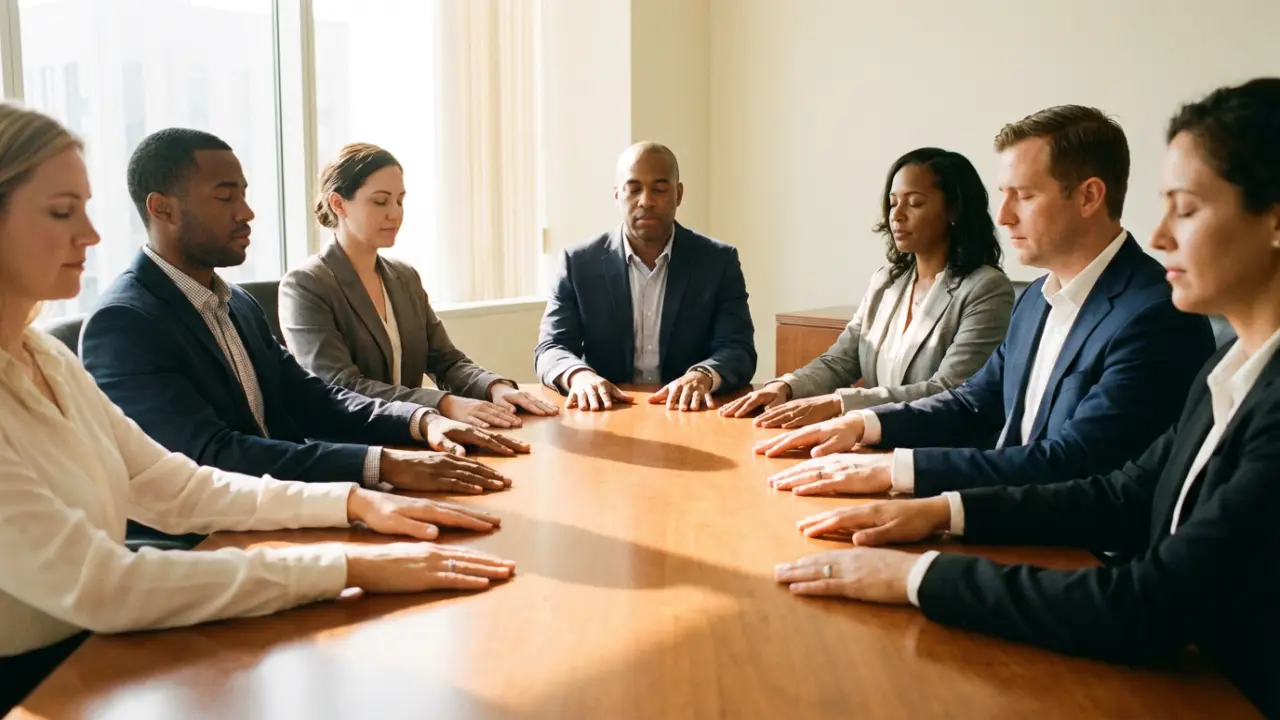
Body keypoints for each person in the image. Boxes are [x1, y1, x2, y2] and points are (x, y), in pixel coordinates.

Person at [772, 78, 1280, 718]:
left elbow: (1136, 573)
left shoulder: (1161, 320)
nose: (1160, 235)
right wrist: (925, 496)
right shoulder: (1222, 362)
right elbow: (1121, 488)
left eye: (1186, 208)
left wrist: (916, 573)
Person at [0, 104, 517, 714]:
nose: (90, 234)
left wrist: (359, 498)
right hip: (42, 684)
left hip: (110, 648)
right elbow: (104, 583)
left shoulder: (48, 360)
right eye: (62, 212)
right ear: (162, 207)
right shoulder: (122, 321)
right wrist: (348, 566)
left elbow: (176, 483)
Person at [80, 129, 529, 546]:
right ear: (162, 208)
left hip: (284, 512)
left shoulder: (237, 303)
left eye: (245, 194)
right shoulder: (125, 323)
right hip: (203, 544)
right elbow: (211, 456)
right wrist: (382, 463)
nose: (247, 212)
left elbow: (313, 397)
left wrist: (420, 422)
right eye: (225, 197)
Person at [756, 105, 1216, 498]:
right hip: (1003, 512)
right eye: (1004, 195)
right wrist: (863, 426)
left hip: (1078, 555)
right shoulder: (1036, 297)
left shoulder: (1156, 315)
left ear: (1089, 196)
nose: (1004, 215)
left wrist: (896, 472)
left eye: (1026, 196)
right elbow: (973, 401)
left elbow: (1073, 462)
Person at [720, 148, 1014, 428]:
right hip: (872, 441)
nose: (897, 215)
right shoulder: (886, 282)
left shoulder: (986, 288)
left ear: (954, 210)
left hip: (938, 452)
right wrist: (786, 386)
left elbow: (949, 390)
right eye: (893, 202)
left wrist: (839, 404)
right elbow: (840, 361)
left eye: (914, 203)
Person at [279, 142, 559, 431]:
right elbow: (342, 387)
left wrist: (494, 388)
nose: (395, 213)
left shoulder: (404, 277)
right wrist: (445, 403)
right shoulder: (306, 285)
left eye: (400, 200)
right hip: (351, 446)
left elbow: (446, 362)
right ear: (338, 204)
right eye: (380, 201)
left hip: (417, 437)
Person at [534, 142, 756, 412]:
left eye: (660, 189)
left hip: (688, 411)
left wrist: (703, 376)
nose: (646, 201)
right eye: (634, 188)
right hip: (607, 411)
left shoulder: (717, 261)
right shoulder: (578, 262)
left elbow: (738, 348)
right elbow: (551, 347)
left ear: (679, 193)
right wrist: (580, 377)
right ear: (617, 194)